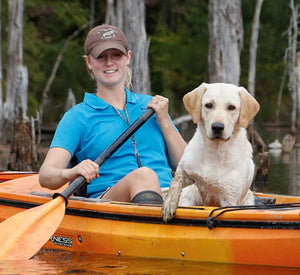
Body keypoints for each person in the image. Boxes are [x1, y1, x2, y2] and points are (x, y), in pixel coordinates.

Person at [39, 24, 186, 204]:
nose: (109, 62)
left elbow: (186, 165)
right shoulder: (77, 117)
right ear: (89, 62)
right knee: (144, 176)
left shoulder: (152, 107)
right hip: (111, 202)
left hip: (170, 199)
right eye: (101, 56)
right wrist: (73, 171)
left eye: (116, 55)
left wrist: (164, 121)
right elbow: (46, 176)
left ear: (128, 58)